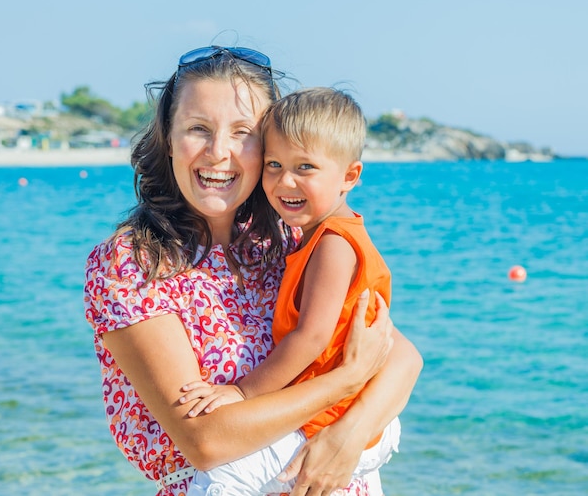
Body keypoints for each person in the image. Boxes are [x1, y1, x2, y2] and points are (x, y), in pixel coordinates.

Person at [84, 45, 423, 496]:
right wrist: (346, 380)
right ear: (168, 138)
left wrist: (349, 434)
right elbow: (206, 440)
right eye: (198, 129)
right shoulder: (135, 262)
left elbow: (401, 356)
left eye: (243, 133)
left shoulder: (288, 240)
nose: (219, 153)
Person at [183, 88, 402, 496]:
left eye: (305, 167)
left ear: (350, 176)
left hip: (334, 420)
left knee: (225, 479)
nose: (285, 181)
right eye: (274, 164)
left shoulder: (334, 243)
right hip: (338, 415)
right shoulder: (312, 236)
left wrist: (242, 392)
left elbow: (313, 336)